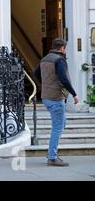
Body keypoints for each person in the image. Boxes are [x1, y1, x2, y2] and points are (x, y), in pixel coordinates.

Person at [33, 38, 79, 167]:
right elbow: (64, 79)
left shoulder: (45, 58)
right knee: (57, 128)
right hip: (56, 98)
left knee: (61, 123)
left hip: (47, 97)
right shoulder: (59, 60)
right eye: (65, 48)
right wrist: (74, 94)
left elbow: (35, 73)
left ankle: (51, 154)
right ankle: (52, 157)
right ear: (62, 48)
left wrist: (46, 84)